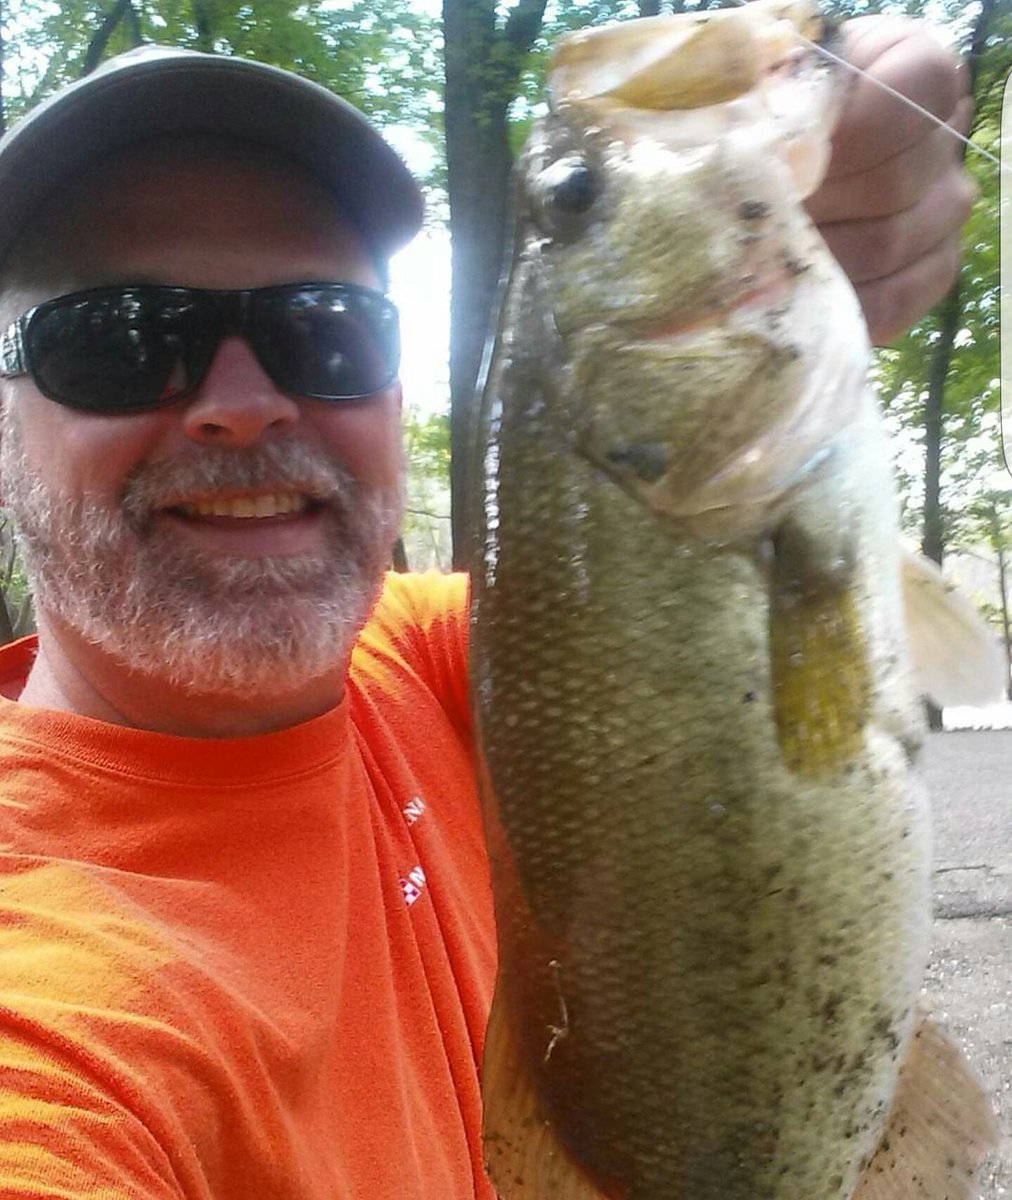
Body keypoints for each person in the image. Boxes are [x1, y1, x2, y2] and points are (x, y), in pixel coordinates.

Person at [0, 16, 974, 1199]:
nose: (243, 405)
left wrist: (852, 135)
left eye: (326, 330)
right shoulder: (48, 1032)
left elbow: (650, 590)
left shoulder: (430, 658)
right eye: (120, 341)